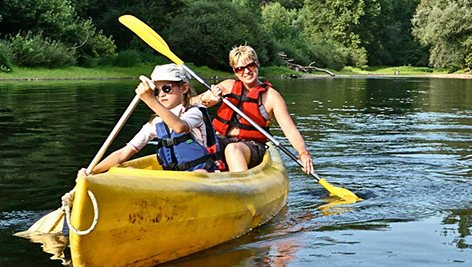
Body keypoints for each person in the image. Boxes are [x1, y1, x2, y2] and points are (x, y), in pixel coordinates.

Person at [78, 64, 219, 178]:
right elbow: (124, 153)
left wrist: (150, 100)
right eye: (156, 91)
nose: (161, 94)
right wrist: (92, 172)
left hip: (201, 173)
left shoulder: (194, 112)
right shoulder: (155, 123)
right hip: (173, 178)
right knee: (128, 171)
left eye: (167, 88)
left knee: (198, 175)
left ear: (184, 88)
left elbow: (179, 127)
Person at [198, 45, 315, 174]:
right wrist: (207, 99)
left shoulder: (271, 96)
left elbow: (290, 130)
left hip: (251, 145)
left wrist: (303, 153)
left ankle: (242, 189)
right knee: (198, 147)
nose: (246, 71)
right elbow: (191, 103)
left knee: (233, 149)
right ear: (235, 71)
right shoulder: (226, 86)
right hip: (221, 140)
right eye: (240, 69)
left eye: (250, 66)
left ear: (257, 64)